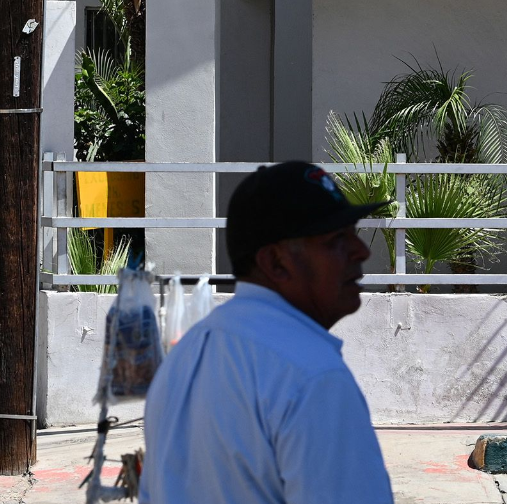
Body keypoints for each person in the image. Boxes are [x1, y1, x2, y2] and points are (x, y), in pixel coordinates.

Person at [141, 161, 393, 504]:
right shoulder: (313, 377)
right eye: (336, 239)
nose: (362, 251)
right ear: (275, 262)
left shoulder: (183, 358)